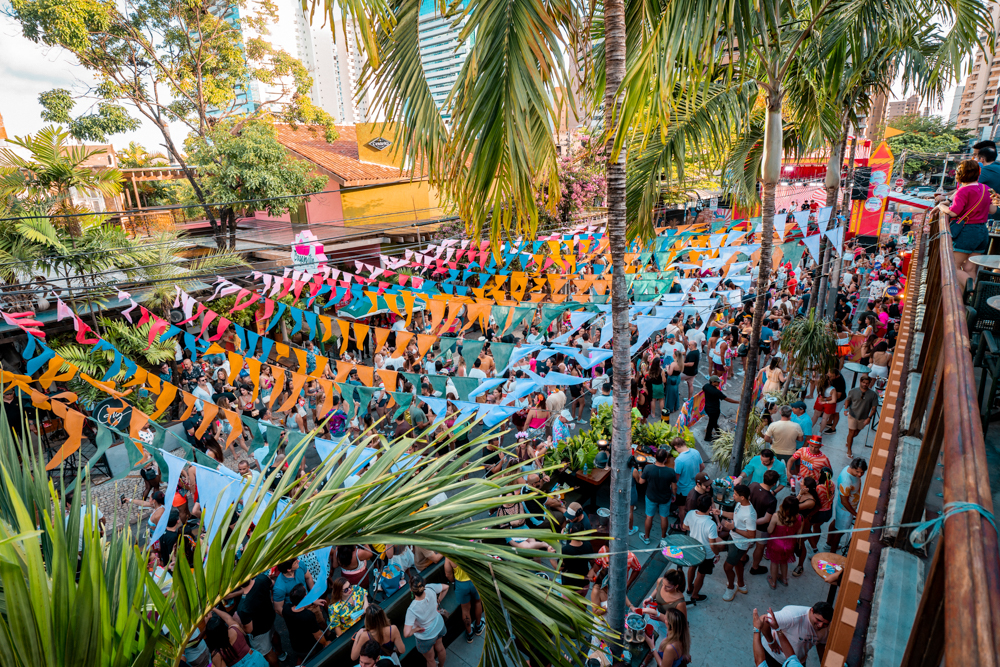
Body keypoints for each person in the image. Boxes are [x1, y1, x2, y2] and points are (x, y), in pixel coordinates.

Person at [937, 159, 996, 287]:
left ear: (960, 174)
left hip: (967, 231)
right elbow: (992, 210)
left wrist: (941, 206)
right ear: (978, 173)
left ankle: (972, 291)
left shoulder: (963, 191)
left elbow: (954, 212)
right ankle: (968, 296)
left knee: (953, 266)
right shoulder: (986, 188)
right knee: (970, 268)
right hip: (982, 231)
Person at [759, 603, 832, 666]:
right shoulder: (793, 616)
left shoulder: (827, 628)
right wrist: (771, 642)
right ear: (811, 610)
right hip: (773, 657)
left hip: (797, 662)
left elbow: (821, 643)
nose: (820, 625)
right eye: (818, 620)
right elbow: (763, 620)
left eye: (825, 624)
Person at [682, 493, 723, 603]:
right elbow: (712, 545)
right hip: (706, 554)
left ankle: (689, 588)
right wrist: (717, 554)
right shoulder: (710, 524)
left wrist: (695, 529)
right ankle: (695, 595)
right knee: (701, 574)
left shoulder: (691, 513)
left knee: (692, 567)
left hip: (693, 548)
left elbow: (684, 526)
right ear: (710, 508)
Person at [403, 575, 449, 667]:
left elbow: (406, 633)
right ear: (423, 585)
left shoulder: (412, 609)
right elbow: (446, 587)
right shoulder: (430, 588)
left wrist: (416, 629)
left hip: (426, 637)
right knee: (440, 649)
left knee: (430, 660)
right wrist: (437, 602)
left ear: (411, 590)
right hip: (439, 626)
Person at [722, 484, 757, 601]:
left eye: (735, 494)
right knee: (737, 562)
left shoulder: (750, 514)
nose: (733, 495)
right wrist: (720, 512)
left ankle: (731, 588)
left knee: (727, 567)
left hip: (739, 544)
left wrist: (734, 528)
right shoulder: (740, 504)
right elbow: (735, 515)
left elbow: (752, 535)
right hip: (733, 538)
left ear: (742, 497)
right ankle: (741, 585)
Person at [235, 574, 278, 667]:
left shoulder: (243, 607)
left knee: (268, 653)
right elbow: (272, 583)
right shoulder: (262, 578)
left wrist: (237, 622)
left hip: (260, 632)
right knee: (273, 635)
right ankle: (281, 653)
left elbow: (248, 630)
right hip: (270, 618)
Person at [826, 458, 868, 552]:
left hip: (843, 508)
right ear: (852, 467)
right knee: (840, 533)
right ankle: (832, 552)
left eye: (862, 472)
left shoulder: (848, 469)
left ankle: (828, 544)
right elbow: (844, 501)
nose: (860, 475)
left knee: (836, 524)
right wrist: (855, 514)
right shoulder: (846, 481)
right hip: (845, 511)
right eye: (857, 472)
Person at [639, 447, 678, 545]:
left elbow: (641, 481)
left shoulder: (648, 468)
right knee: (664, 517)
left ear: (655, 456)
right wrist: (673, 495)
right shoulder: (670, 471)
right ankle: (663, 538)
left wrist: (640, 470)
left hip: (651, 496)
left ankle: (647, 537)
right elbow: (674, 487)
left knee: (649, 517)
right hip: (665, 498)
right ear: (665, 459)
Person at [282, 584, 328, 664]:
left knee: (301, 658)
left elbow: (299, 606)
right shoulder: (308, 615)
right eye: (306, 593)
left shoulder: (286, 608)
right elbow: (318, 635)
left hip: (296, 645)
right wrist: (326, 643)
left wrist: (312, 602)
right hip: (309, 648)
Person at [444, 557, 485, 643]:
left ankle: (469, 633)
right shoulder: (470, 549)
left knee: (465, 610)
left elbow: (448, 574)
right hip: (474, 580)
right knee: (478, 602)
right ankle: (478, 626)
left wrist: (455, 581)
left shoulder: (449, 555)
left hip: (461, 584)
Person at [747, 470, 780, 576]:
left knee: (746, 542)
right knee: (760, 547)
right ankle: (755, 567)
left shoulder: (753, 485)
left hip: (747, 522)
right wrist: (754, 522)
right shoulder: (772, 500)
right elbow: (766, 519)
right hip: (761, 528)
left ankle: (742, 558)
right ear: (774, 484)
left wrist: (749, 522)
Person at [765, 496, 802, 589]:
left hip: (775, 545)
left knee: (774, 563)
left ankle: (773, 582)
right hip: (789, 545)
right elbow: (798, 533)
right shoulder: (799, 517)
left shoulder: (776, 516)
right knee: (784, 562)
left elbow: (770, 530)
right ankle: (784, 579)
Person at [844, 375, 878, 458]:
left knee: (855, 433)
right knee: (851, 433)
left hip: (863, 417)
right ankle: (849, 450)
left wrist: (869, 418)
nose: (865, 384)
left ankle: (849, 440)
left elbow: (874, 408)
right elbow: (848, 400)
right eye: (863, 382)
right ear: (860, 382)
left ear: (869, 383)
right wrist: (845, 409)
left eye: (867, 383)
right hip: (852, 415)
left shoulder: (873, 395)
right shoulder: (853, 391)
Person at [702, 375, 738, 443]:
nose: (719, 383)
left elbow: (703, 389)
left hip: (707, 408)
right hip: (714, 410)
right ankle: (707, 437)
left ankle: (719, 432)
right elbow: (727, 399)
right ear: (713, 382)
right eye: (717, 382)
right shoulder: (716, 392)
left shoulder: (706, 386)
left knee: (713, 422)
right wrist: (738, 402)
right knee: (711, 423)